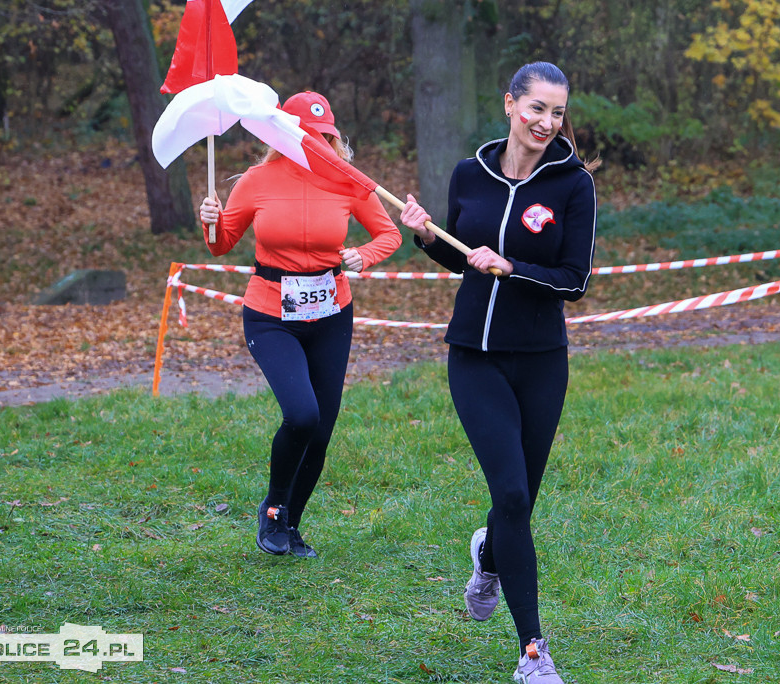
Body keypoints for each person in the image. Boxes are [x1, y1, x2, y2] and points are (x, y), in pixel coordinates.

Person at [400, 62, 598, 684]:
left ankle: (489, 555)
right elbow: (462, 257)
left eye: (557, 112)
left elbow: (575, 281)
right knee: (510, 494)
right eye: (537, 108)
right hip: (475, 357)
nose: (547, 122)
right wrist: (426, 237)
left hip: (541, 362)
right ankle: (533, 654)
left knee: (519, 506)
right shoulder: (469, 174)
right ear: (510, 103)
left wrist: (512, 267)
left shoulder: (573, 184)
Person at [198, 91, 402, 558]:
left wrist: (363, 255)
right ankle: (272, 508)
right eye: (304, 134)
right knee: (302, 415)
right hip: (271, 315)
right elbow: (221, 243)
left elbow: (387, 233)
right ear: (281, 136)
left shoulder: (348, 180)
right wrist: (211, 222)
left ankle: (290, 524)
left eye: (323, 134)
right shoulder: (256, 180)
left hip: (331, 316)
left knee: (322, 430)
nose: (315, 142)